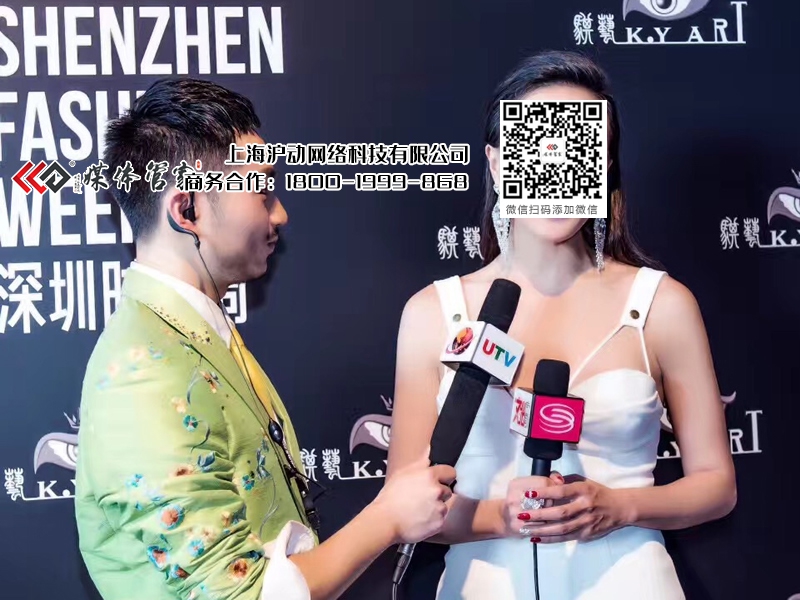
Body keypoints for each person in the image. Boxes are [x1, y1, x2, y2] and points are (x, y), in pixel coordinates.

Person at [74, 77, 456, 600]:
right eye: (262, 190)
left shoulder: (193, 333)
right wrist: (388, 518)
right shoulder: (144, 372)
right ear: (188, 211)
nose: (280, 214)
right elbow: (240, 594)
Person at [386, 51, 737, 599]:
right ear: (498, 164)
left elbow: (716, 485)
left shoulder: (662, 304)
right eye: (536, 147)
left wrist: (619, 506)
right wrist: (504, 516)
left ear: (605, 165)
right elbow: (401, 505)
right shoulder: (432, 312)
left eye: (579, 148)